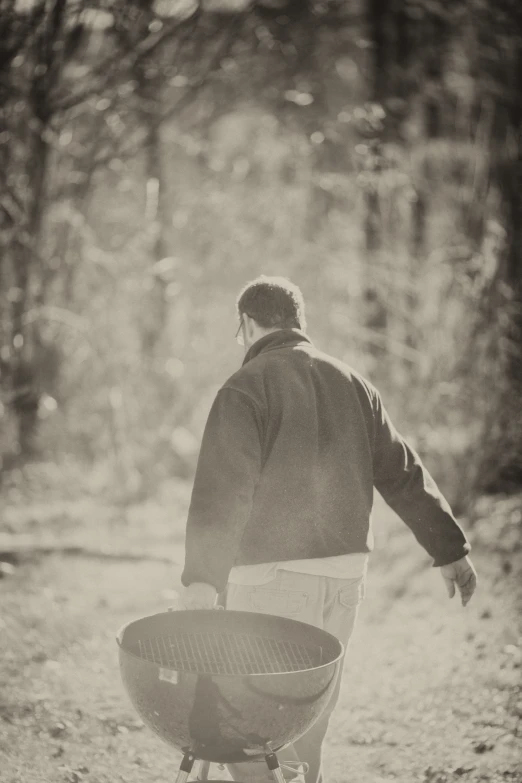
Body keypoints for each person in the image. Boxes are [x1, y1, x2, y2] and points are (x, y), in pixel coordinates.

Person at [179, 276, 477, 783]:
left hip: (270, 577)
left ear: (247, 324)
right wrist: (450, 548)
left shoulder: (246, 386)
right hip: (344, 577)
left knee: (248, 716)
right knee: (307, 712)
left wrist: (202, 580)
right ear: (298, 322)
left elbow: (224, 490)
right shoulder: (353, 383)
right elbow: (402, 471)